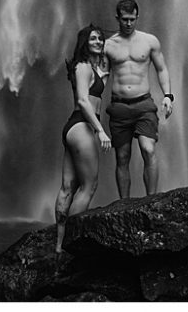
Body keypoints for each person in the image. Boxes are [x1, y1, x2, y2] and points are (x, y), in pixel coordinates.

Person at [102, 0, 172, 198]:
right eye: (124, 19)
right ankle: (124, 203)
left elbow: (162, 69)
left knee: (148, 149)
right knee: (122, 157)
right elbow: (103, 77)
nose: (128, 24)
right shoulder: (108, 45)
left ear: (137, 17)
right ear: (117, 18)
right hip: (119, 107)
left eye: (132, 19)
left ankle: (151, 199)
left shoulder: (150, 41)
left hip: (144, 104)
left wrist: (168, 95)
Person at [54, 24, 111, 249]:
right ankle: (72, 243)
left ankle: (59, 246)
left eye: (100, 38)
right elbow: (83, 101)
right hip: (82, 126)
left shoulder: (89, 68)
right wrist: (100, 130)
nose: (98, 41)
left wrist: (104, 75)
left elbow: (93, 91)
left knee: (68, 187)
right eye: (93, 39)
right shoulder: (83, 67)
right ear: (84, 43)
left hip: (73, 128)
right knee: (89, 186)